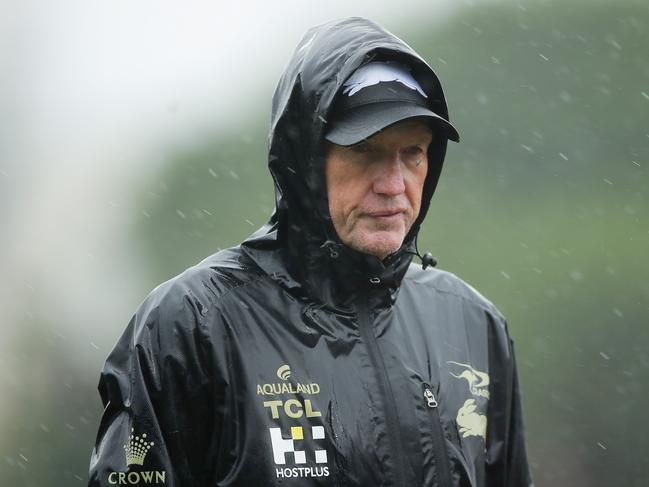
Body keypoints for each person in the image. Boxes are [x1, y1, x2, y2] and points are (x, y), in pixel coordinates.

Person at [88, 16, 533, 487]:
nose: (394, 184)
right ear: (304, 163)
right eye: (366, 150)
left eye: (413, 153)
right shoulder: (191, 323)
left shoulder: (471, 325)